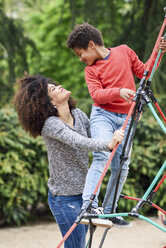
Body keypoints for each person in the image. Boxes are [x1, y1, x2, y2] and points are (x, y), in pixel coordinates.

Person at [67, 22, 166, 228]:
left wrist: (158, 53)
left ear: (91, 45)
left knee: (122, 164)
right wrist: (118, 91)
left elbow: (145, 71)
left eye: (80, 53)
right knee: (103, 155)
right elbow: (97, 95)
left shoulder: (124, 51)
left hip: (128, 117)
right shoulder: (91, 70)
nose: (80, 59)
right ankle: (89, 206)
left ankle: (110, 211)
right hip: (103, 115)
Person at [13, 73, 125, 248]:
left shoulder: (78, 114)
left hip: (85, 194)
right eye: (53, 89)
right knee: (76, 245)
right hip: (64, 199)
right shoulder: (51, 125)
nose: (59, 86)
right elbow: (80, 142)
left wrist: (118, 128)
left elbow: (95, 136)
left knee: (83, 244)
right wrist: (109, 144)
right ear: (49, 102)